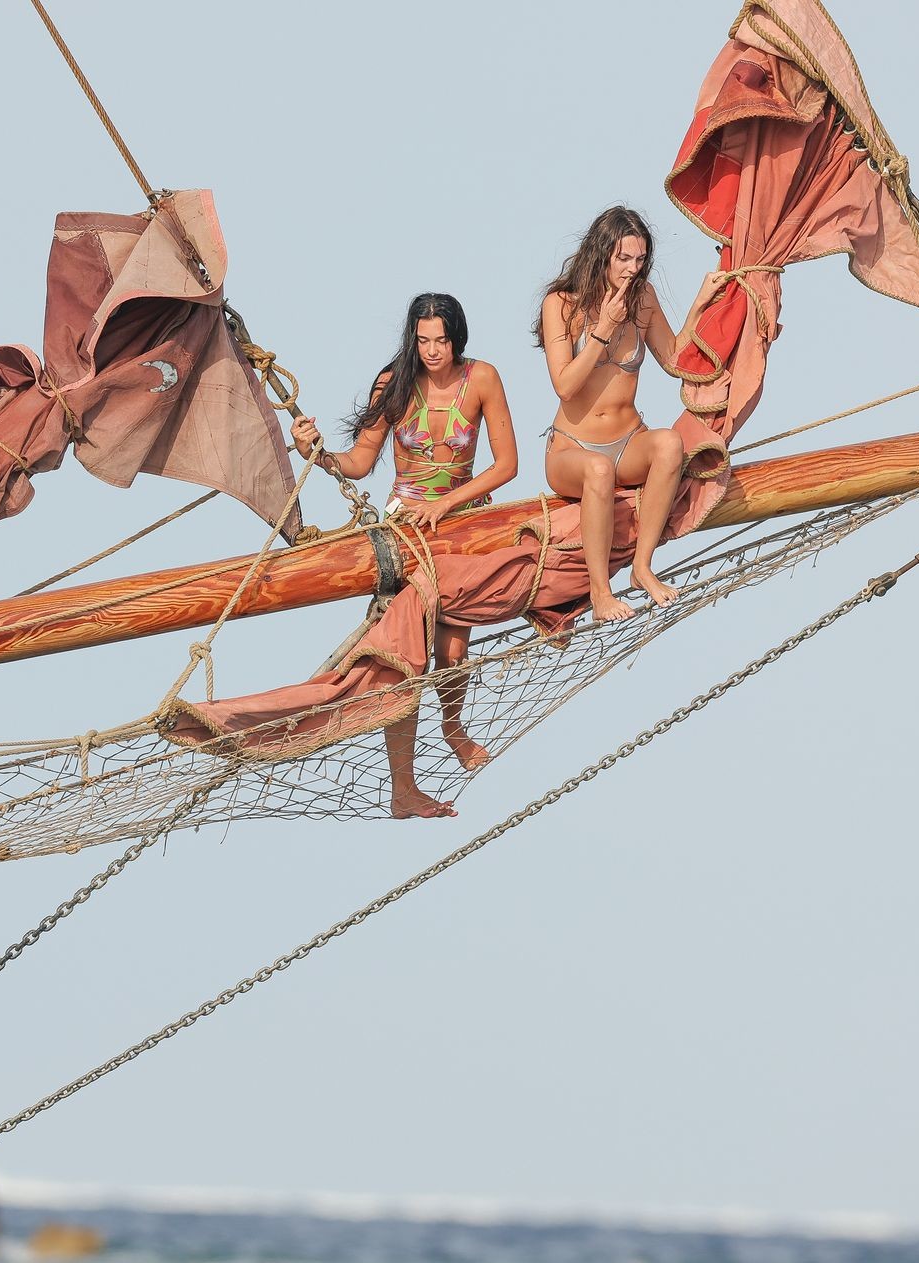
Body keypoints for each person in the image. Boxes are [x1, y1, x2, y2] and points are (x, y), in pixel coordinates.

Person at [291, 293, 518, 818]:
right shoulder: (393, 383)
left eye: (442, 340)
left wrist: (446, 504)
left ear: (457, 338)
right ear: (412, 339)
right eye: (424, 340)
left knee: (453, 651)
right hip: (405, 530)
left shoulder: (482, 378)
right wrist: (314, 453)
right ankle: (404, 789)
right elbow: (358, 462)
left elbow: (507, 465)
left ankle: (453, 729)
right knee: (403, 659)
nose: (433, 350)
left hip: (463, 526)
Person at [536, 206, 730, 622]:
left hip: (628, 443)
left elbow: (673, 358)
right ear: (601, 253)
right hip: (573, 449)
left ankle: (643, 567)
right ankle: (600, 593)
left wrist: (701, 301)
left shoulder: (642, 299)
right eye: (623, 258)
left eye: (640, 259)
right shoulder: (561, 304)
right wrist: (603, 330)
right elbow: (565, 386)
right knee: (599, 471)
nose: (632, 268)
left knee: (670, 444)